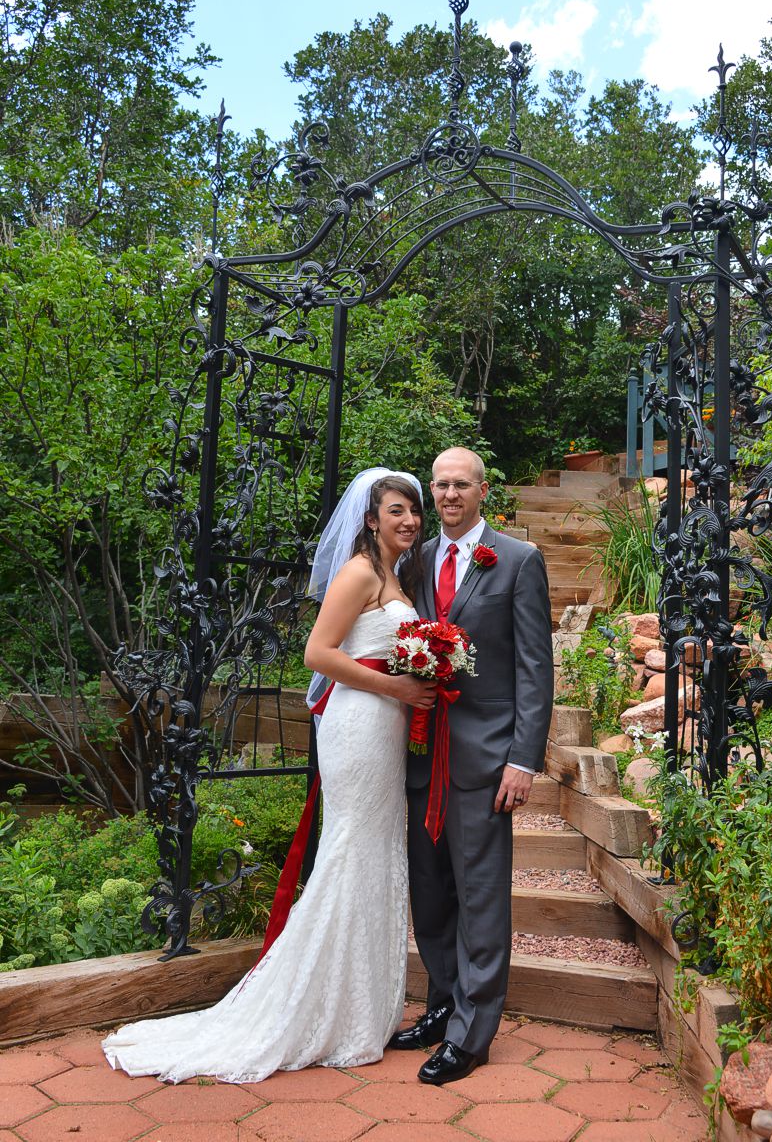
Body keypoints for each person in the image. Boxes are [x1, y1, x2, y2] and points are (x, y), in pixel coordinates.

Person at [102, 468, 435, 1083]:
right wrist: (397, 686)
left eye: (413, 512)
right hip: (360, 722)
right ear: (370, 518)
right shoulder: (361, 571)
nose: (409, 521)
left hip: (386, 725)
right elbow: (318, 654)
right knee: (350, 851)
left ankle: (357, 1008)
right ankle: (310, 1006)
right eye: (396, 511)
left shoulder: (398, 573)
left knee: (373, 852)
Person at [389, 446, 554, 1085]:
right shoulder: (419, 560)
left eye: (461, 484)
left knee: (480, 896)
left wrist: (523, 758)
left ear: (483, 490)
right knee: (430, 892)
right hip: (424, 750)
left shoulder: (517, 560)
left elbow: (535, 668)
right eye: (440, 485)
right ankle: (442, 1005)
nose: (449, 495)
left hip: (487, 757)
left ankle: (472, 1033)